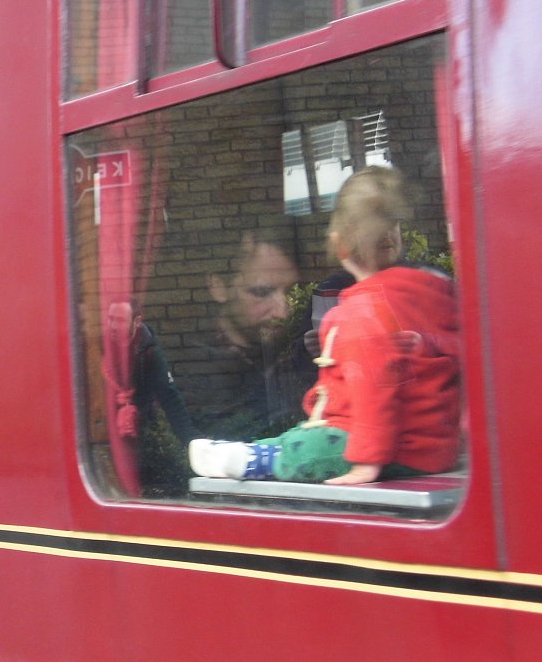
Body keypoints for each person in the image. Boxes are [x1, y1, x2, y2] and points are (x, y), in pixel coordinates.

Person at [189, 166, 461, 485]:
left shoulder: (363, 311)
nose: (284, 309)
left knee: (311, 449)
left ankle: (249, 460)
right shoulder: (432, 296)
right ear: (395, 238)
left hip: (391, 447)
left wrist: (367, 462)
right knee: (301, 436)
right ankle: (250, 453)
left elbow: (376, 388)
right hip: (434, 445)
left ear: (340, 246)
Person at [179, 230, 309, 441]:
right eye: (262, 292)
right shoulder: (198, 377)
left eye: (292, 291)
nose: (283, 312)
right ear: (218, 287)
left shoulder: (294, 353)